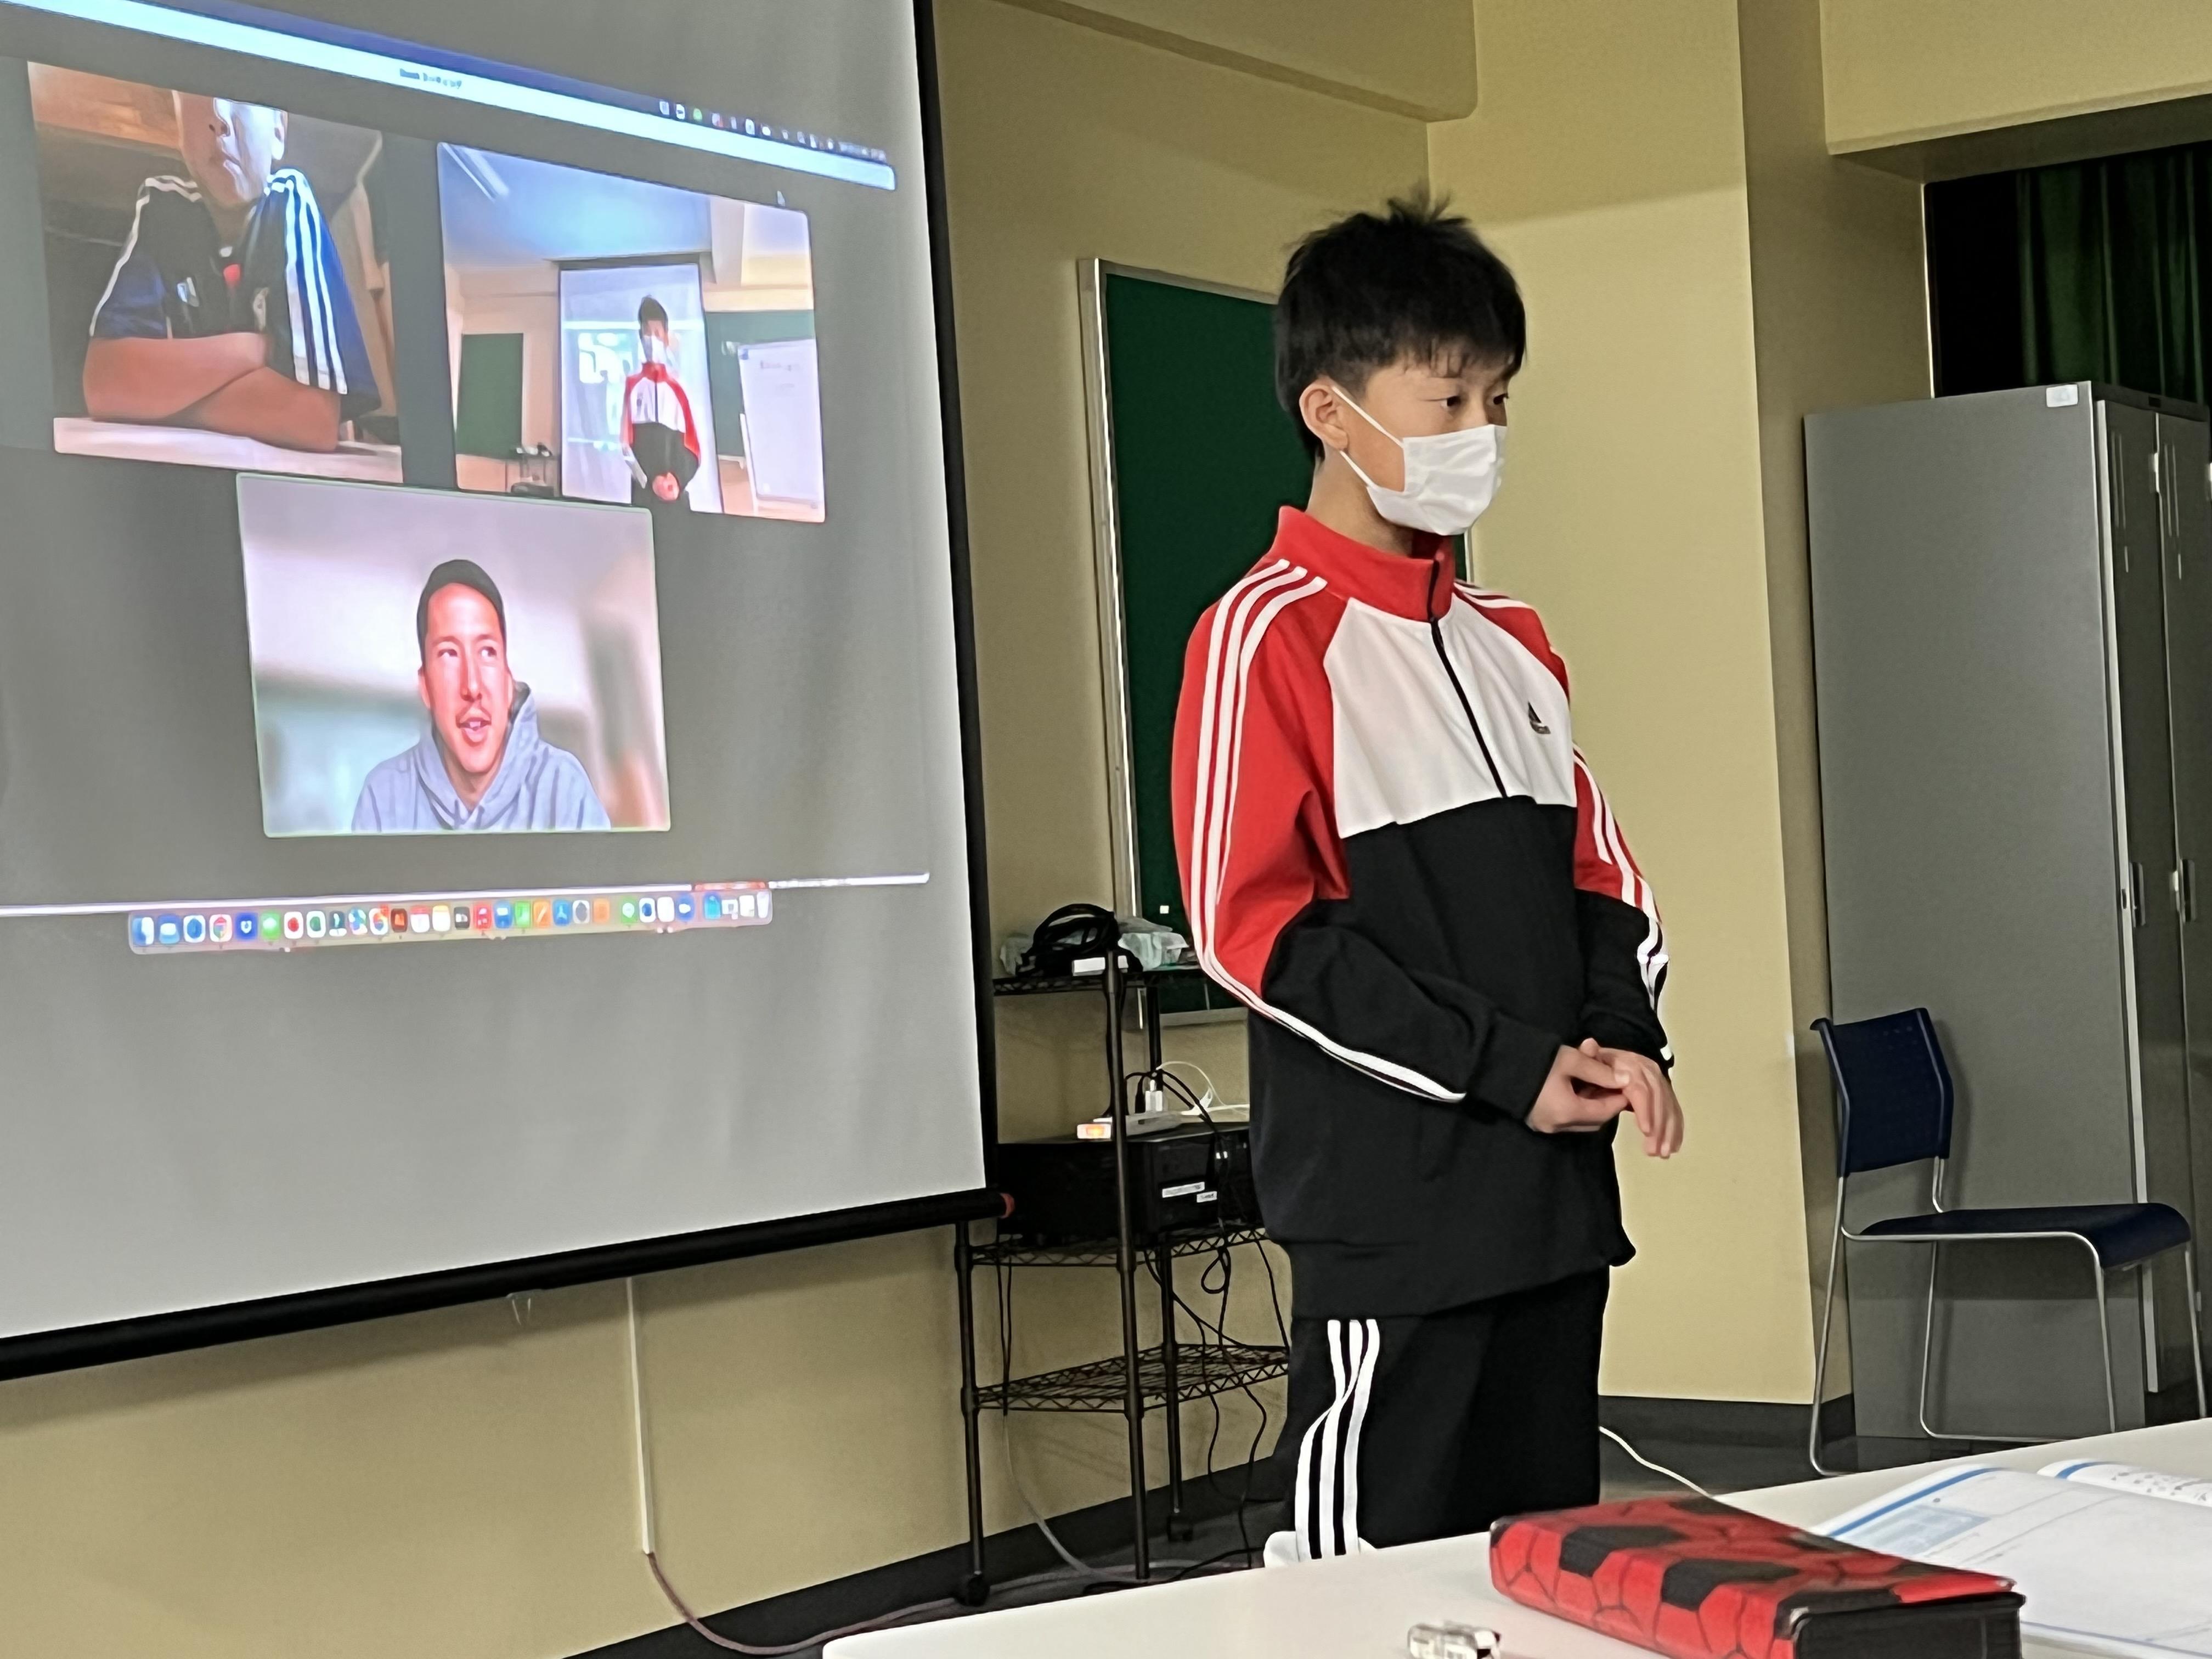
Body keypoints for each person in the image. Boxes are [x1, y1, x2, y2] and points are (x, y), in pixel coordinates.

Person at [1170, 193, 1684, 1562]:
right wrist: (1507, 1066)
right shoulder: (1262, 638)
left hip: (1554, 1216)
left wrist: (1620, 1041)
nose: (1482, 434)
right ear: (1332, 413)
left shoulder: (1515, 641)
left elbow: (1606, 882)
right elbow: (1253, 933)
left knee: (1544, 1582)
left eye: (1497, 400)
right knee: (1363, 1600)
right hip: (1393, 1227)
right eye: (1449, 399)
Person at [82, 92, 379, 453]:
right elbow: (105, 384)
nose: (219, 118)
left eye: (243, 99)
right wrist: (254, 348)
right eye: (196, 95)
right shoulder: (162, 205)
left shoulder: (288, 199)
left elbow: (313, 418)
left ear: (279, 131)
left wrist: (158, 403)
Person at [353, 560, 610, 832]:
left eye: (487, 652)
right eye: (449, 654)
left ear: (508, 681)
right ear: (426, 687)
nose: (473, 686)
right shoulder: (384, 797)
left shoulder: (564, 787)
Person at [621, 296, 702, 516]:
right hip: (643, 497)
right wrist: (648, 481)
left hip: (675, 497)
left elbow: (694, 446)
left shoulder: (679, 386)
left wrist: (678, 479)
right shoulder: (633, 385)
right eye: (647, 333)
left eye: (657, 333)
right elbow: (625, 446)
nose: (652, 339)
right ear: (640, 338)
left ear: (666, 337)